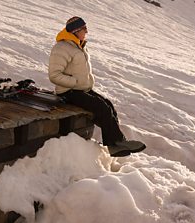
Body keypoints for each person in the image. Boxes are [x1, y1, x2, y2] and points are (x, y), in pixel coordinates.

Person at [48, 16, 146, 157]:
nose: (87, 31)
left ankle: (116, 144)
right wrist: (74, 82)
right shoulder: (62, 48)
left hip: (81, 89)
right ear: (75, 31)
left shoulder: (78, 45)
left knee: (108, 105)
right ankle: (115, 143)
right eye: (84, 29)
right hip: (68, 91)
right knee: (101, 107)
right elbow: (54, 75)